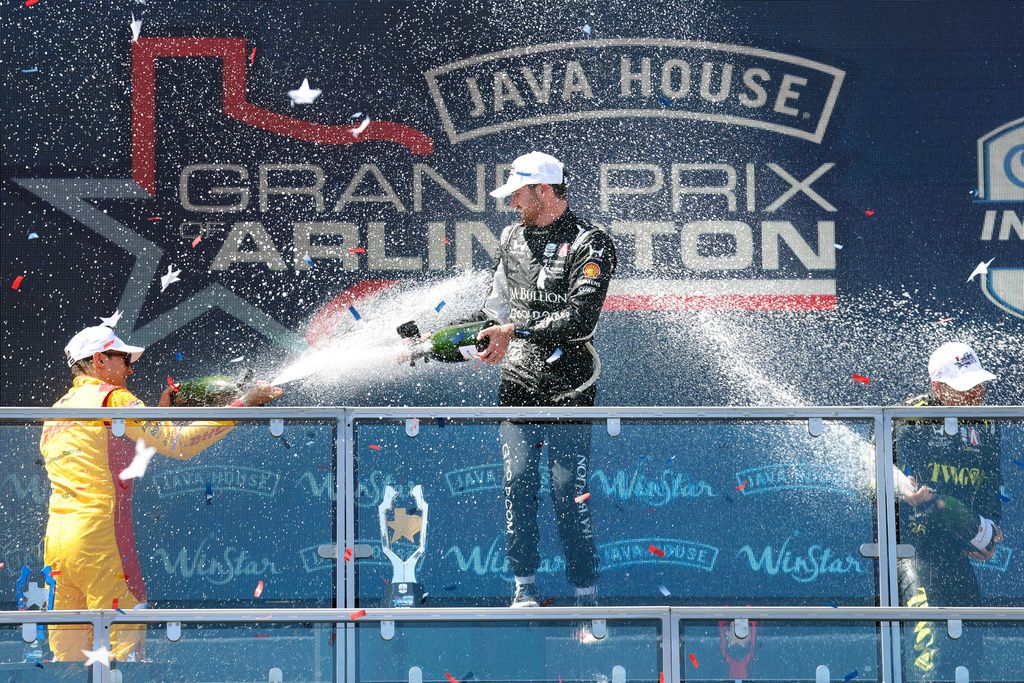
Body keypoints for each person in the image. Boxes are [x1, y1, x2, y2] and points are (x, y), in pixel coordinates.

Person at [40, 325, 282, 662]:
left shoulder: (55, 413)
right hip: (101, 541)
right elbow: (180, 445)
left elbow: (109, 453)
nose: (130, 370)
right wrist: (243, 405)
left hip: (57, 547)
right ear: (99, 360)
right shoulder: (113, 398)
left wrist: (160, 414)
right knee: (123, 657)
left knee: (68, 660)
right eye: (125, 360)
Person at [457, 151, 616, 607]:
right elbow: (494, 309)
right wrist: (443, 341)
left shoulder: (591, 242)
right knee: (518, 482)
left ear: (543, 190)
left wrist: (514, 331)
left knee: (569, 491)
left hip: (570, 386)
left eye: (517, 194)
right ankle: (523, 586)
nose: (511, 203)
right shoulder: (511, 237)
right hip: (518, 383)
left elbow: (581, 318)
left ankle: (585, 594)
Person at [895, 342, 1003, 679]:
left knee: (970, 658)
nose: (976, 394)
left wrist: (987, 533)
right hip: (913, 552)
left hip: (955, 555)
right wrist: (901, 487)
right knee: (930, 657)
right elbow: (868, 473)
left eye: (979, 384)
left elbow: (990, 492)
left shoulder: (988, 426)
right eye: (965, 387)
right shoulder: (908, 416)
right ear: (938, 388)